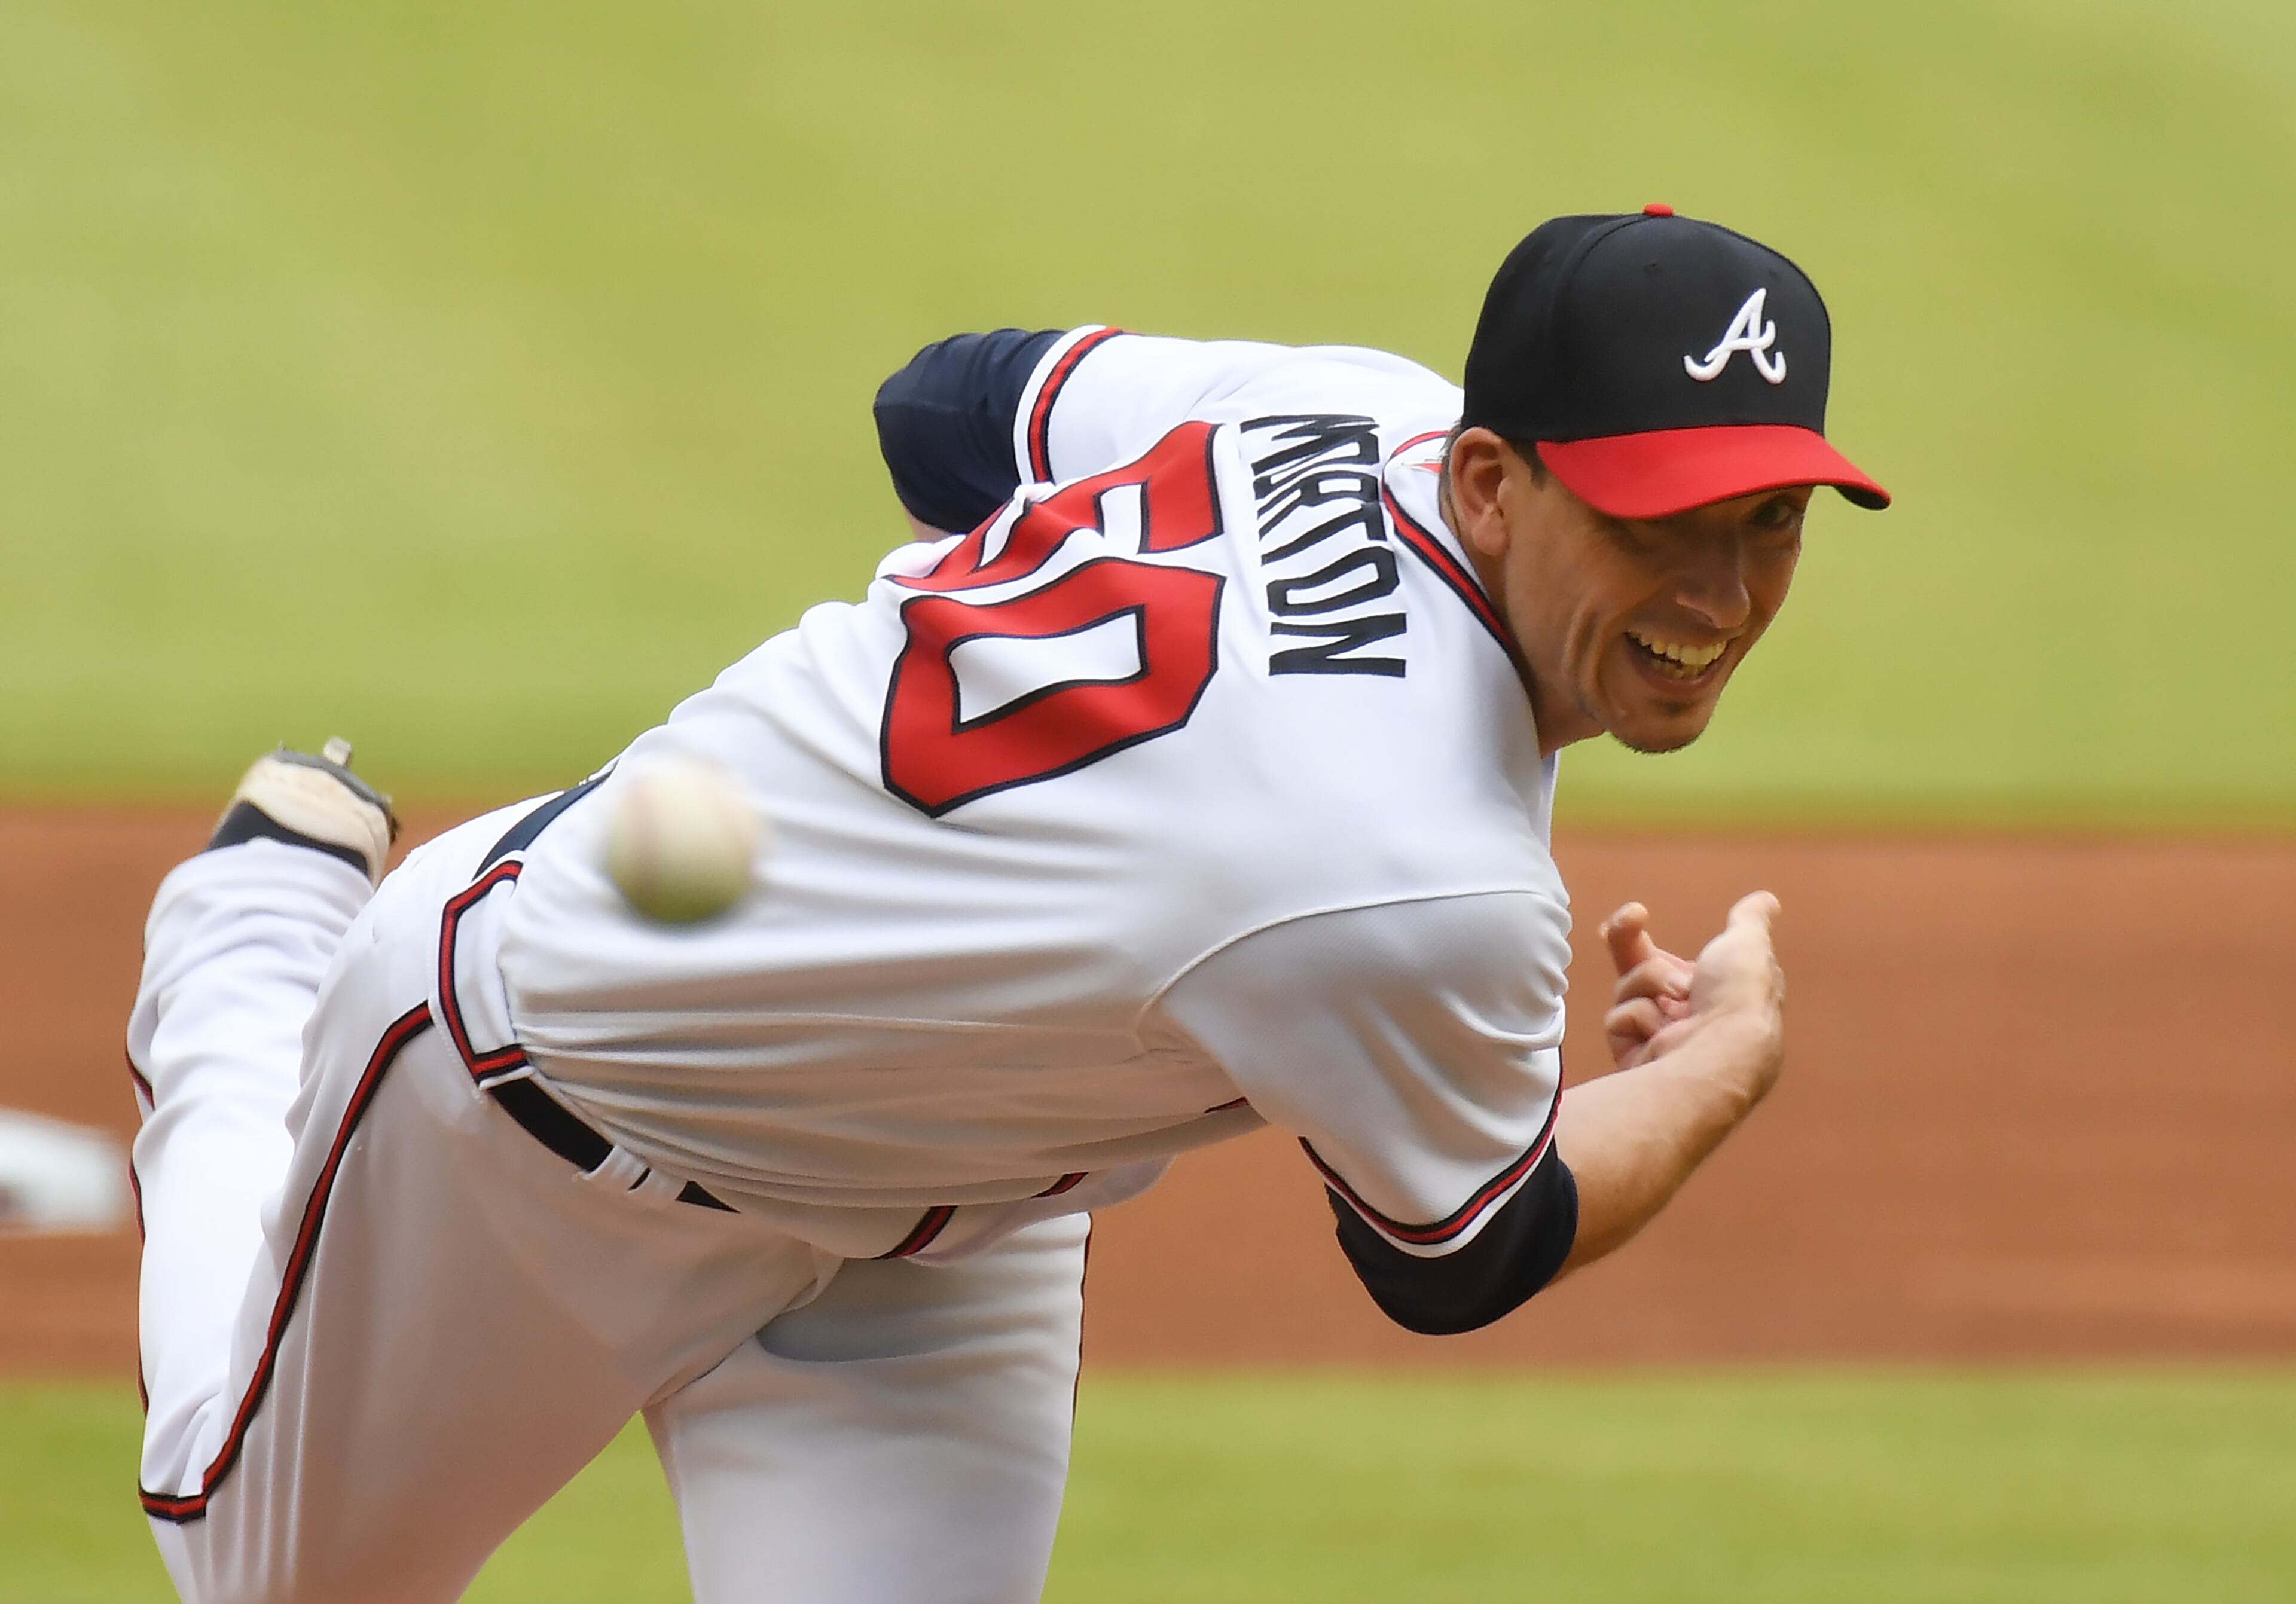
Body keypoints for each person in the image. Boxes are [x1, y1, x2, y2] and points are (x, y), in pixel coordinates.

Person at [126, 207, 1886, 1603]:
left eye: (1769, 519)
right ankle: (248, 948)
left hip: (938, 1235)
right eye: (1661, 520)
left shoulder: (1359, 408)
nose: (1721, 591)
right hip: (539, 1109)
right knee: (264, 1578)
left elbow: (946, 405)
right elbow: (1470, 1252)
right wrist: (1720, 1060)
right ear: (1497, 482)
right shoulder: (1416, 873)